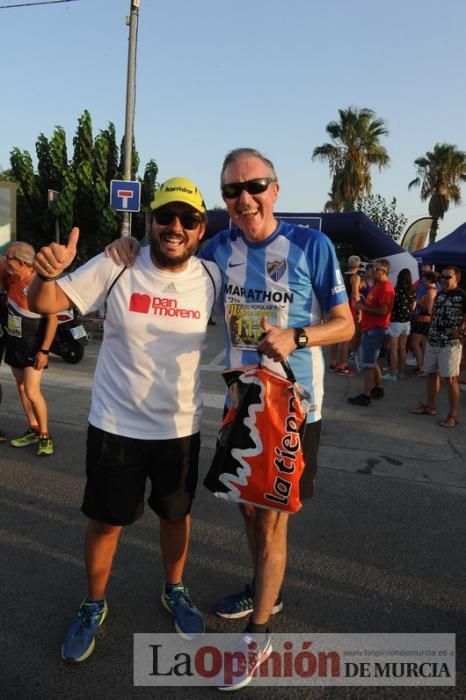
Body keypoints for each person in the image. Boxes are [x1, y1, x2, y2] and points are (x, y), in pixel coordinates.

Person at [107, 148, 354, 690]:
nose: (244, 199)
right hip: (239, 403)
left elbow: (345, 323)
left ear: (275, 189)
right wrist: (126, 245)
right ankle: (265, 585)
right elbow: (170, 260)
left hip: (292, 407)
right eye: (232, 192)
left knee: (270, 520)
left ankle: (259, 632)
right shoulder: (219, 248)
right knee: (248, 511)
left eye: (255, 186)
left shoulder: (313, 245)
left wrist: (299, 334)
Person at [27, 177, 221, 662]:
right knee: (106, 522)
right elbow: (43, 303)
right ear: (151, 220)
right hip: (116, 424)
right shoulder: (117, 263)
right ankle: (94, 603)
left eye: (188, 219)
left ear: (201, 229)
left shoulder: (213, 278)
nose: (175, 227)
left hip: (179, 428)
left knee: (176, 516)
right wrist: (45, 274)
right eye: (165, 217)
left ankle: (174, 588)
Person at [0, 242, 56, 455]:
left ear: (22, 262)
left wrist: (44, 350)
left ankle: (45, 436)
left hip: (34, 347)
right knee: (22, 387)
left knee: (32, 391)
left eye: (9, 259)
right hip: (15, 345)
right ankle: (33, 428)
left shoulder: (39, 283)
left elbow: (53, 319)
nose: (6, 263)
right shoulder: (13, 278)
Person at [410, 266, 466, 428]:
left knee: (450, 379)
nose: (443, 279)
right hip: (433, 340)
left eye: (448, 277)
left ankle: (453, 415)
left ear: (457, 279)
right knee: (431, 374)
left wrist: (461, 331)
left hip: (450, 344)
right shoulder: (440, 295)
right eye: (442, 277)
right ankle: (430, 406)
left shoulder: (462, 296)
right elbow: (433, 313)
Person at [347, 259, 395, 406]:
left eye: (376, 269)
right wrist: (363, 304)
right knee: (371, 361)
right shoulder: (378, 286)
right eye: (372, 268)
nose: (372, 271)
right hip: (370, 328)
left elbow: (383, 311)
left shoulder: (385, 288)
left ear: (384, 271)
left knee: (367, 364)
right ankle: (377, 388)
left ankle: (366, 395)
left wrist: (363, 308)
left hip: (375, 329)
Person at [329, 254, 361, 375]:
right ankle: (342, 365)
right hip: (349, 308)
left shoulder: (340, 275)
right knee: (346, 338)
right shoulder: (356, 277)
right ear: (358, 265)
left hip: (337, 305)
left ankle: (333, 362)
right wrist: (359, 310)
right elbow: (355, 294)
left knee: (335, 337)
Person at [382, 268, 416, 381]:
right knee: (402, 349)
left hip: (396, 322)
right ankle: (401, 372)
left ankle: (393, 373)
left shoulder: (395, 291)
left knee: (393, 349)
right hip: (406, 323)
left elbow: (390, 307)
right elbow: (413, 307)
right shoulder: (412, 291)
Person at [408, 270, 438, 378]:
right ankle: (423, 367)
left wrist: (418, 301)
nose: (422, 283)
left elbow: (428, 309)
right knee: (423, 344)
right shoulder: (432, 290)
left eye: (424, 281)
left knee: (415, 343)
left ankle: (421, 367)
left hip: (424, 320)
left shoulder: (430, 291)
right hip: (425, 320)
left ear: (430, 280)